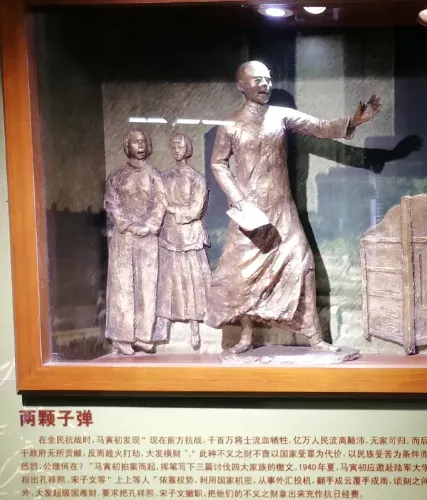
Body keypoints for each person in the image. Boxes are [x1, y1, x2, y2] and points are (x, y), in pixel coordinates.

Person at [207, 60, 382, 354]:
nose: (265, 85)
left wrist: (353, 121)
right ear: (241, 85)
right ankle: (247, 337)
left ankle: (314, 337)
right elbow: (218, 164)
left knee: (303, 263)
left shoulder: (281, 115)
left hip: (281, 207)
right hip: (249, 212)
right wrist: (239, 199)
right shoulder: (231, 124)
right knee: (244, 274)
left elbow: (320, 127)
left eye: (268, 79)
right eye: (257, 80)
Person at [104, 129, 167, 355]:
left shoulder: (153, 175)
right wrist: (129, 225)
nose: (140, 146)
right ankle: (122, 337)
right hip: (124, 238)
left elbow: (161, 202)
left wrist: (149, 226)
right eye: (135, 142)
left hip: (148, 238)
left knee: (147, 286)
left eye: (143, 142)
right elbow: (111, 204)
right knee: (123, 286)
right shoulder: (117, 176)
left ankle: (144, 335)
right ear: (127, 146)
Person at [153, 133, 211, 349]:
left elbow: (194, 209)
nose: (177, 149)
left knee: (192, 281)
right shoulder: (164, 177)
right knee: (167, 280)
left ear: (188, 149)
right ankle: (162, 322)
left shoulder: (198, 179)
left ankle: (195, 327)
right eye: (174, 146)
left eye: (180, 146)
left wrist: (170, 207)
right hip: (169, 235)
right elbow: (157, 201)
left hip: (190, 236)